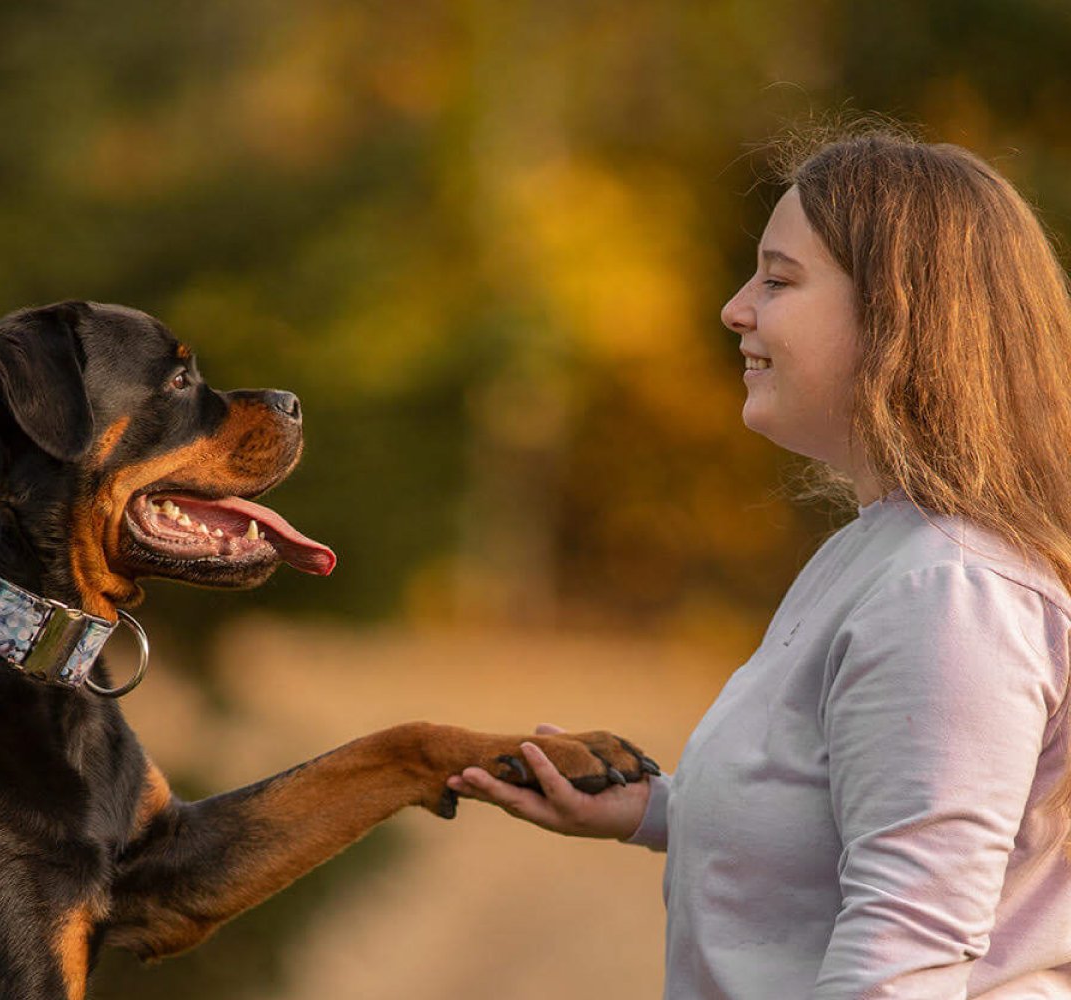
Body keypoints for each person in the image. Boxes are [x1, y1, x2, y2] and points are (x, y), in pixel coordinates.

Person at [447, 129, 1071, 998]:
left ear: (900, 315)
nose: (736, 309)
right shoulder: (881, 552)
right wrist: (661, 810)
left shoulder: (950, 592)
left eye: (778, 281)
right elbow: (857, 815)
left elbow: (904, 962)